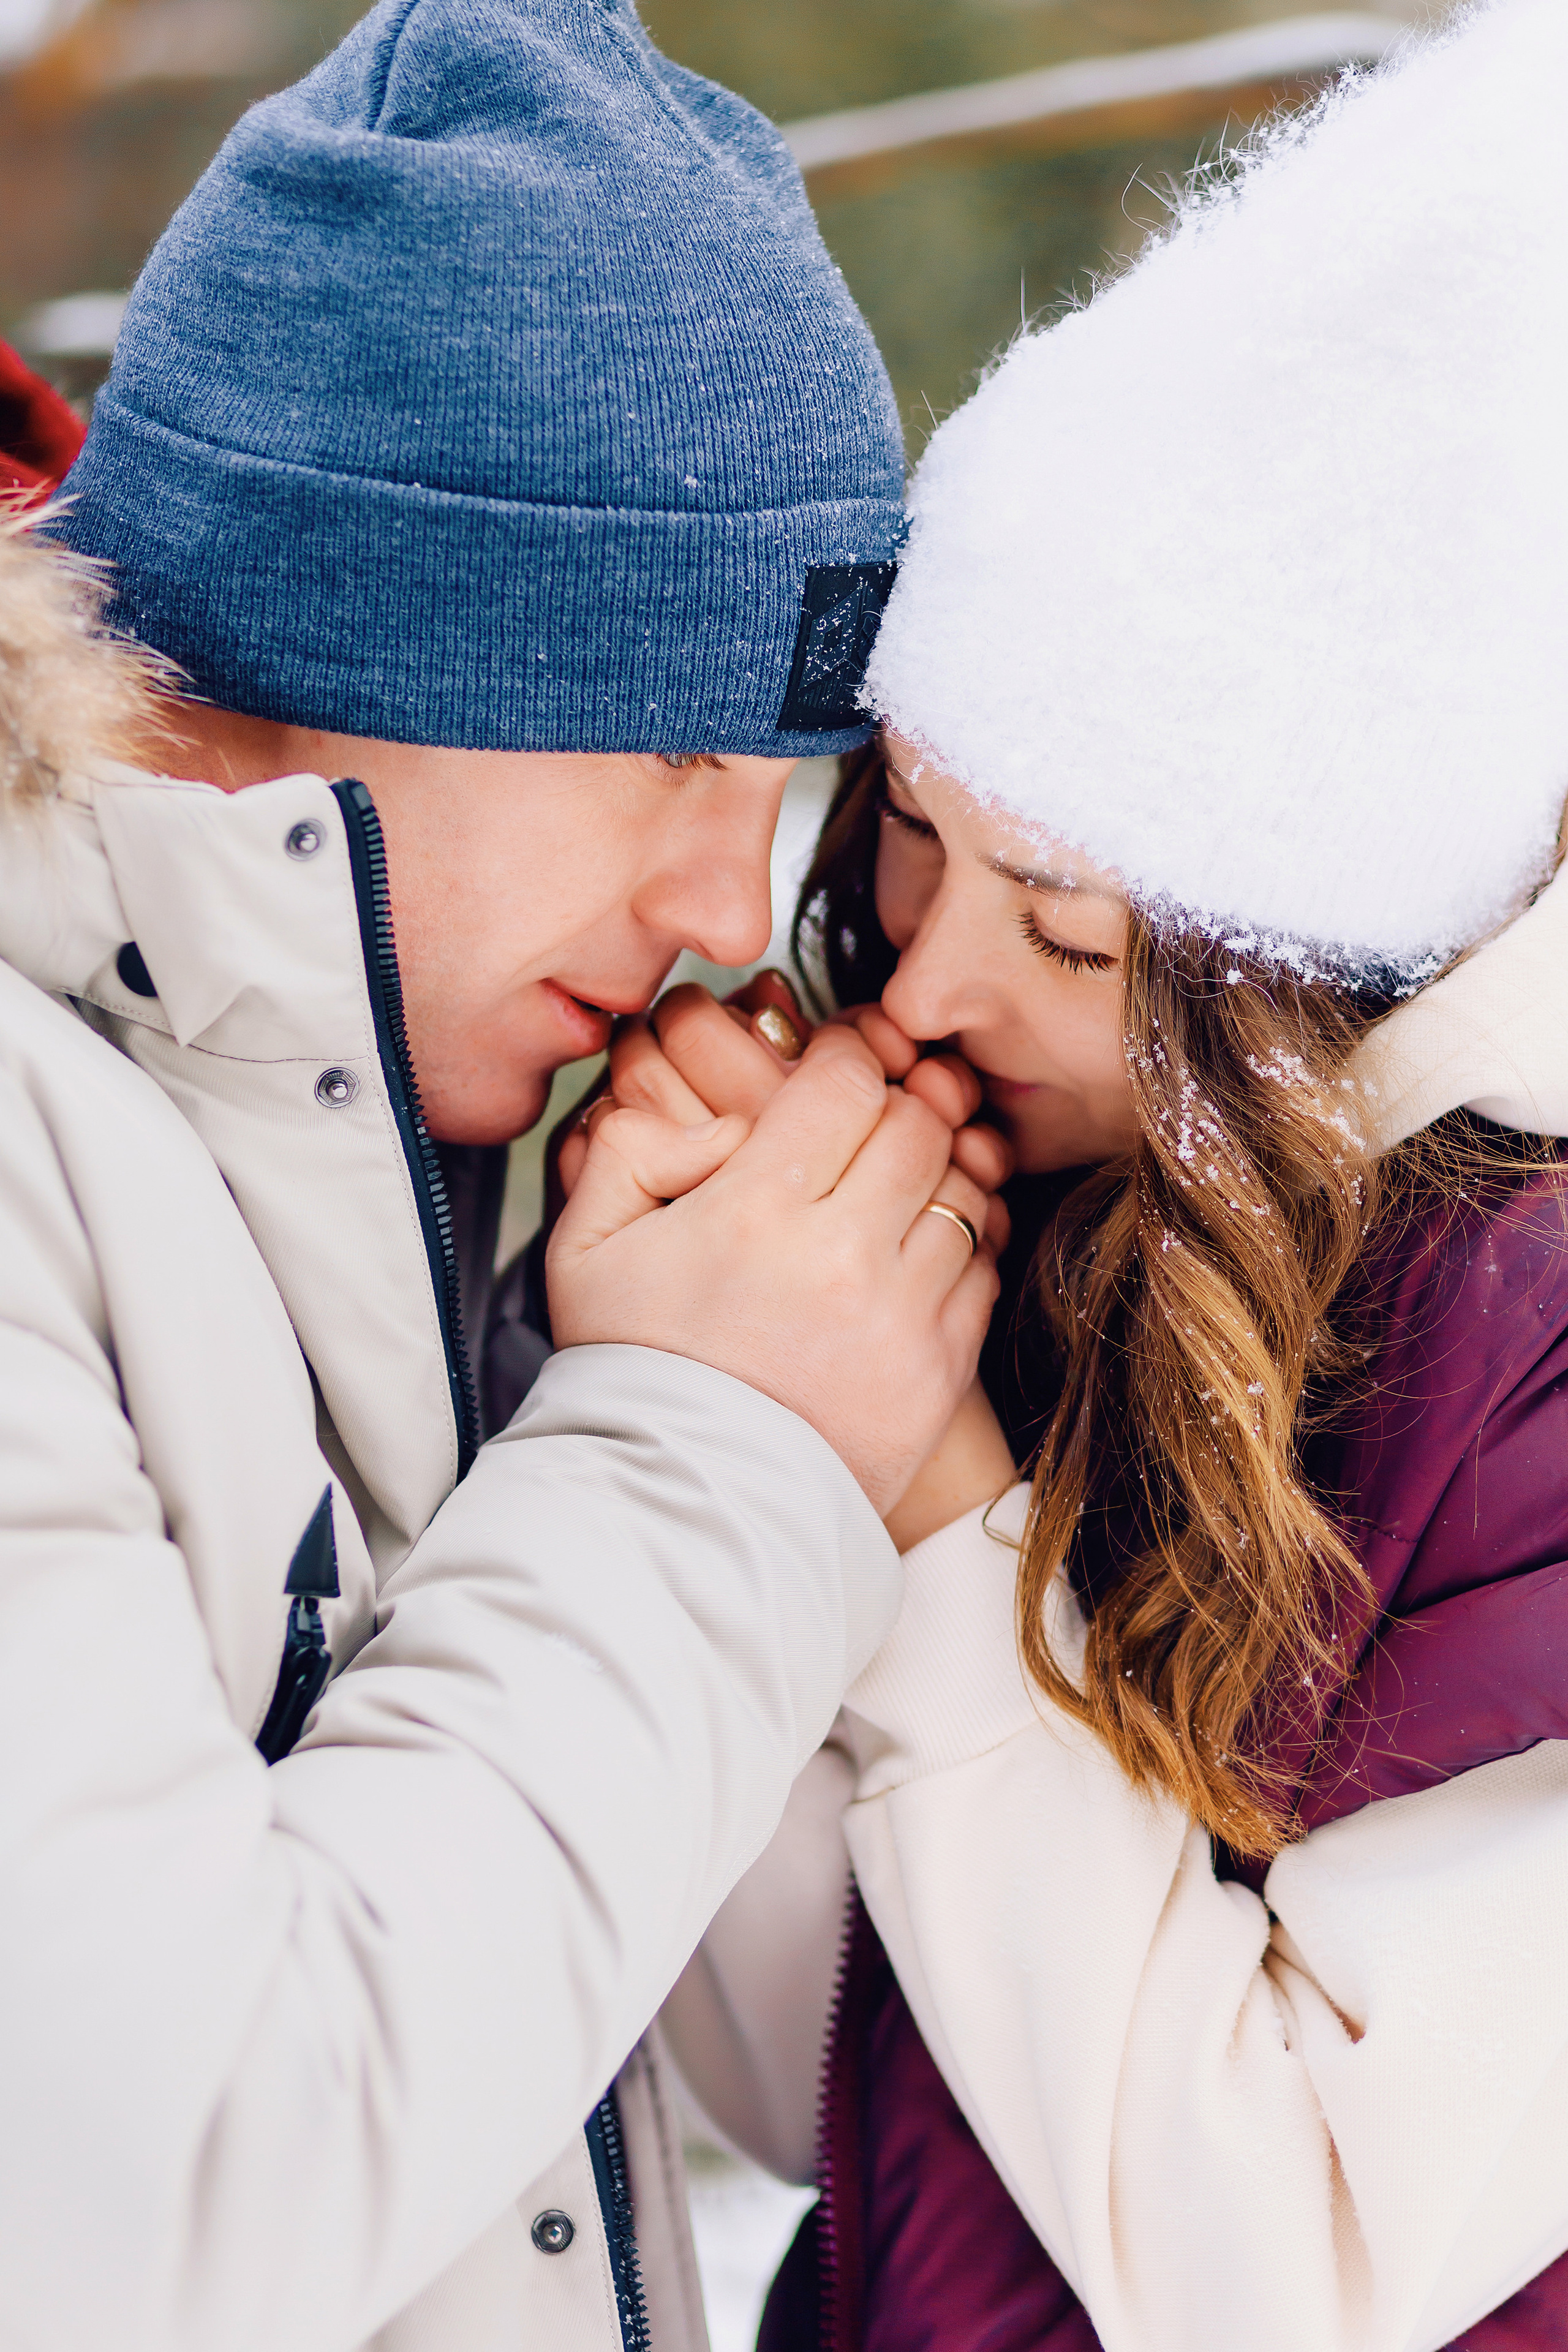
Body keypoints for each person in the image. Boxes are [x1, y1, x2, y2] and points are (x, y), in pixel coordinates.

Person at [0, 2, 1012, 2346]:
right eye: (664, 746)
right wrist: (712, 1451)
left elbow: (758, 2082)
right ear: (337, 625)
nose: (721, 911)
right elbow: (148, 2208)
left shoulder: (371, 1165)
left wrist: (805, 1433)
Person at [600, 5, 1568, 2345]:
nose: (917, 982)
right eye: (906, 830)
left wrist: (938, 1504)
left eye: (1065, 933)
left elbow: (1304, 2268)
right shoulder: (1081, 1201)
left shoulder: (1528, 1348)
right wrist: (718, 1411)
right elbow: (808, 2077)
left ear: (1308, 966)